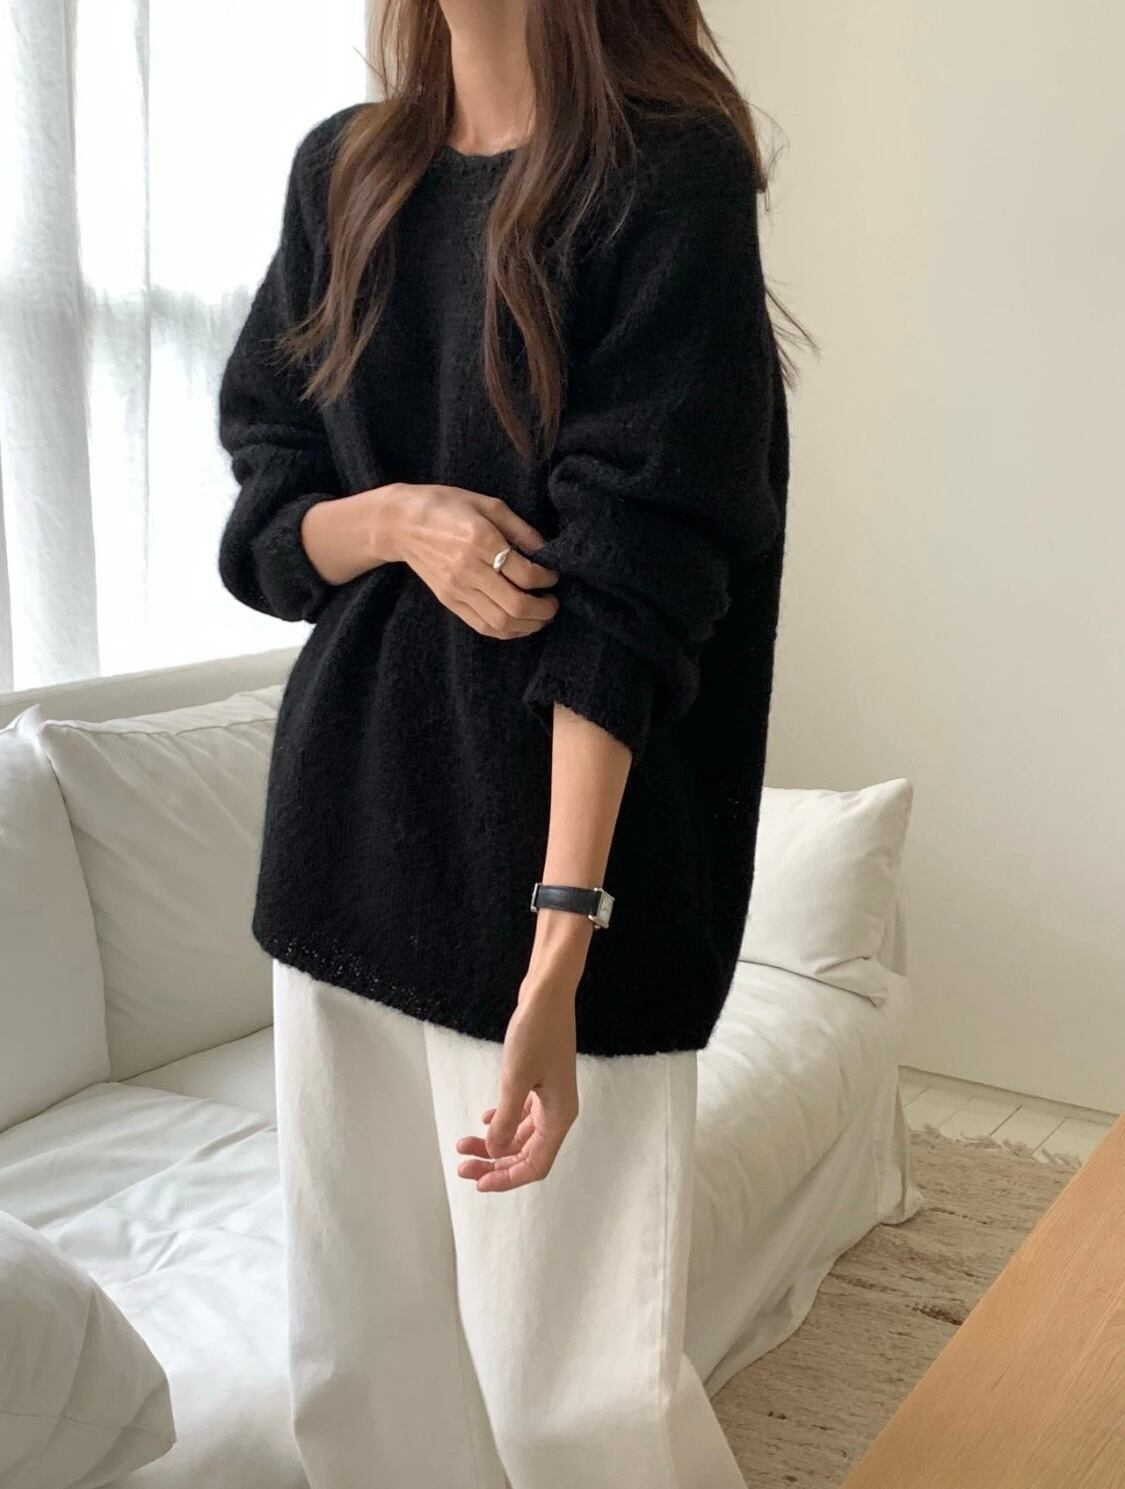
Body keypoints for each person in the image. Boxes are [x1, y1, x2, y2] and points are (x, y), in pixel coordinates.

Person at [216, 2, 798, 1485]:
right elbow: (269, 518)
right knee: (360, 1365)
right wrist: (400, 520)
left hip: (559, 877)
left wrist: (561, 940)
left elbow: (636, 585)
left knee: (574, 1403)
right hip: (342, 839)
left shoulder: (664, 173)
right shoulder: (343, 171)